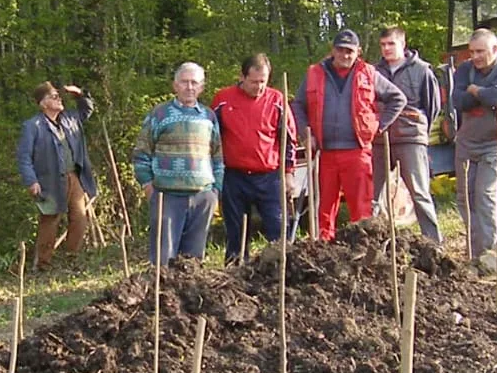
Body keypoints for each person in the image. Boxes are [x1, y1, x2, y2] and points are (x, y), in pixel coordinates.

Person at [294, 30, 406, 242]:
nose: (345, 55)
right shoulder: (314, 73)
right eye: (341, 50)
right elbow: (298, 105)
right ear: (332, 50)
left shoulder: (369, 73)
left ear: (358, 52)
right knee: (324, 208)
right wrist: (305, 134)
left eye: (350, 51)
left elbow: (397, 98)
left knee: (361, 208)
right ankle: (322, 250)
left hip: (357, 151)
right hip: (325, 153)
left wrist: (378, 126)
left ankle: (361, 251)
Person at [131, 62, 224, 265]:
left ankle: (189, 296)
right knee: (163, 260)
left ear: (202, 87)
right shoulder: (159, 114)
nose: (189, 87)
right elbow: (141, 152)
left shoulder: (209, 117)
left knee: (193, 261)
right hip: (167, 197)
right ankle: (161, 296)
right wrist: (147, 185)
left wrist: (215, 190)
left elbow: (217, 156)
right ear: (175, 85)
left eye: (194, 82)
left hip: (202, 197)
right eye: (184, 82)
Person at [450, 28, 497, 271]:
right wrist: (480, 95)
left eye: (480, 51)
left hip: (495, 142)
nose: (476, 57)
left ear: (495, 49)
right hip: (466, 143)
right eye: (472, 52)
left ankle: (490, 254)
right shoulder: (464, 70)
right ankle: (476, 251)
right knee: (465, 198)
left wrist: (476, 91)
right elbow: (458, 101)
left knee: (486, 197)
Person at [210, 54, 292, 264]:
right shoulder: (223, 99)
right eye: (254, 82)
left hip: (269, 175)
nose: (259, 87)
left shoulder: (277, 100)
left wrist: (289, 173)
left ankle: (280, 268)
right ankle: (235, 269)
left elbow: (288, 138)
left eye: (263, 81)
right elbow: (211, 138)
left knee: (277, 225)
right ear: (242, 77)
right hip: (234, 175)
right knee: (236, 230)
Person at [372, 26, 445, 242]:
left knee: (419, 193)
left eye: (391, 44)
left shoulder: (422, 71)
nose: (387, 49)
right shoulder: (373, 72)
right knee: (374, 197)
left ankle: (433, 242)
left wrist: (417, 129)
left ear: (402, 44)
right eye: (383, 45)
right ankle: (372, 244)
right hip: (380, 139)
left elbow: (432, 106)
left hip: (411, 139)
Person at [17, 82, 98, 270]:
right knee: (50, 220)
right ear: (43, 104)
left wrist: (79, 93)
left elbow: (87, 109)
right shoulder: (32, 126)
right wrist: (31, 180)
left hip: (73, 177)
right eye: (54, 97)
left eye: (58, 96)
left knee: (80, 218)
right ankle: (43, 265)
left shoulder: (70, 119)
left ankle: (72, 258)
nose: (59, 99)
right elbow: (24, 157)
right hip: (49, 180)